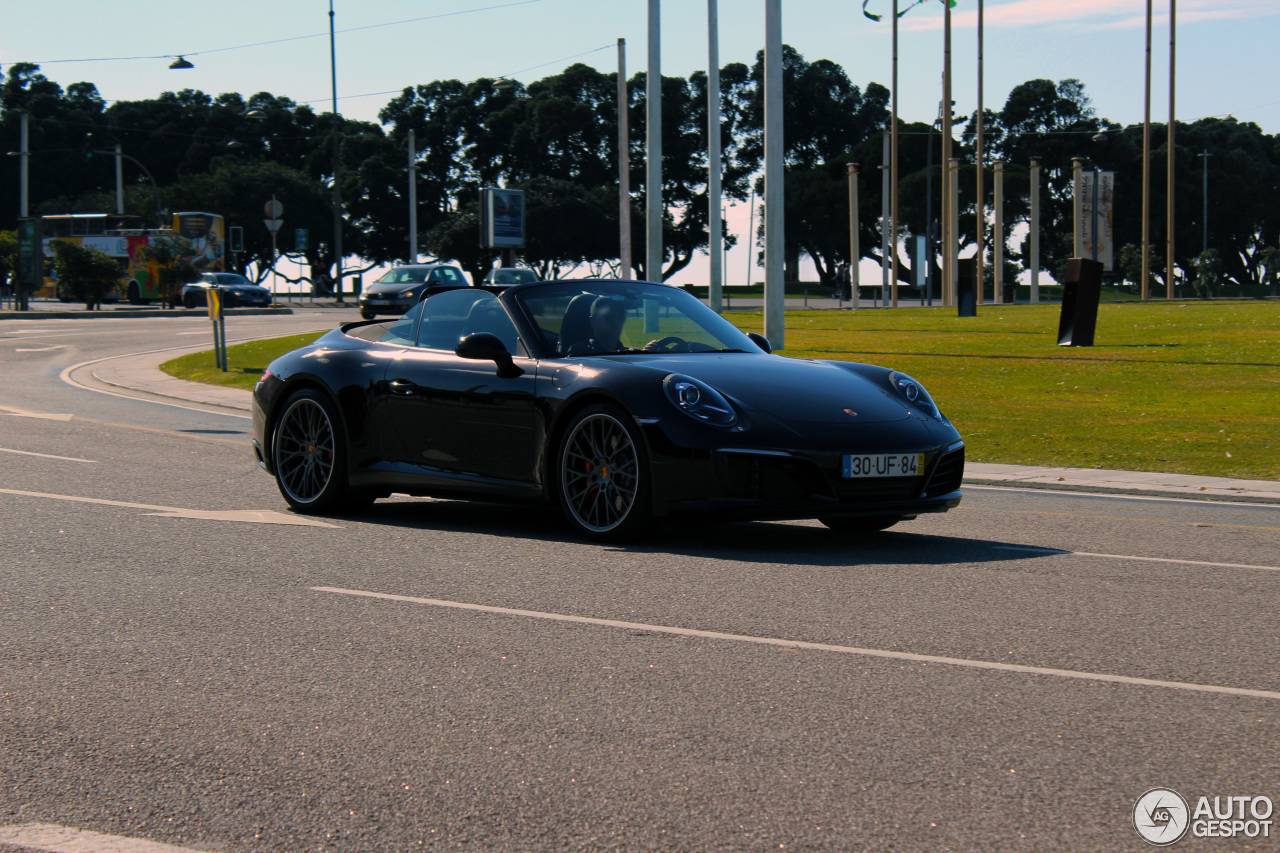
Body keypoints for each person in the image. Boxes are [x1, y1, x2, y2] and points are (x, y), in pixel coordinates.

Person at [567, 296, 663, 355]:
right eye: (609, 317)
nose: (616, 322)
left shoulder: (629, 352)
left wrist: (645, 353)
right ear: (593, 320)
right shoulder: (580, 352)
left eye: (621, 316)